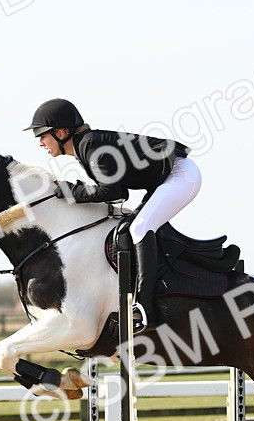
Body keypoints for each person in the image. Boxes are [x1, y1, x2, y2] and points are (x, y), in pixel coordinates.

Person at [24, 98, 200, 333]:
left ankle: (145, 308)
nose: (40, 143)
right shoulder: (86, 147)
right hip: (165, 179)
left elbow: (114, 192)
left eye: (42, 136)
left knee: (139, 229)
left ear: (61, 132)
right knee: (129, 230)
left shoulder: (91, 145)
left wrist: (72, 192)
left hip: (180, 176)